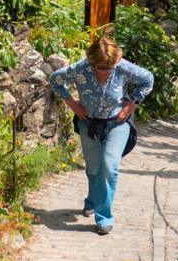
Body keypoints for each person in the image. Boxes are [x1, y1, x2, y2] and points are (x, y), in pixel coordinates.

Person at [49, 35, 154, 235]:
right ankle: (92, 200)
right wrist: (72, 103)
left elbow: (148, 79)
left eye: (109, 69)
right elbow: (55, 80)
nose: (106, 72)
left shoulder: (122, 66)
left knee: (109, 165)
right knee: (94, 167)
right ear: (92, 62)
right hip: (89, 123)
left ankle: (104, 216)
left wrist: (132, 104)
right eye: (101, 68)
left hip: (117, 123)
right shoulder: (81, 68)